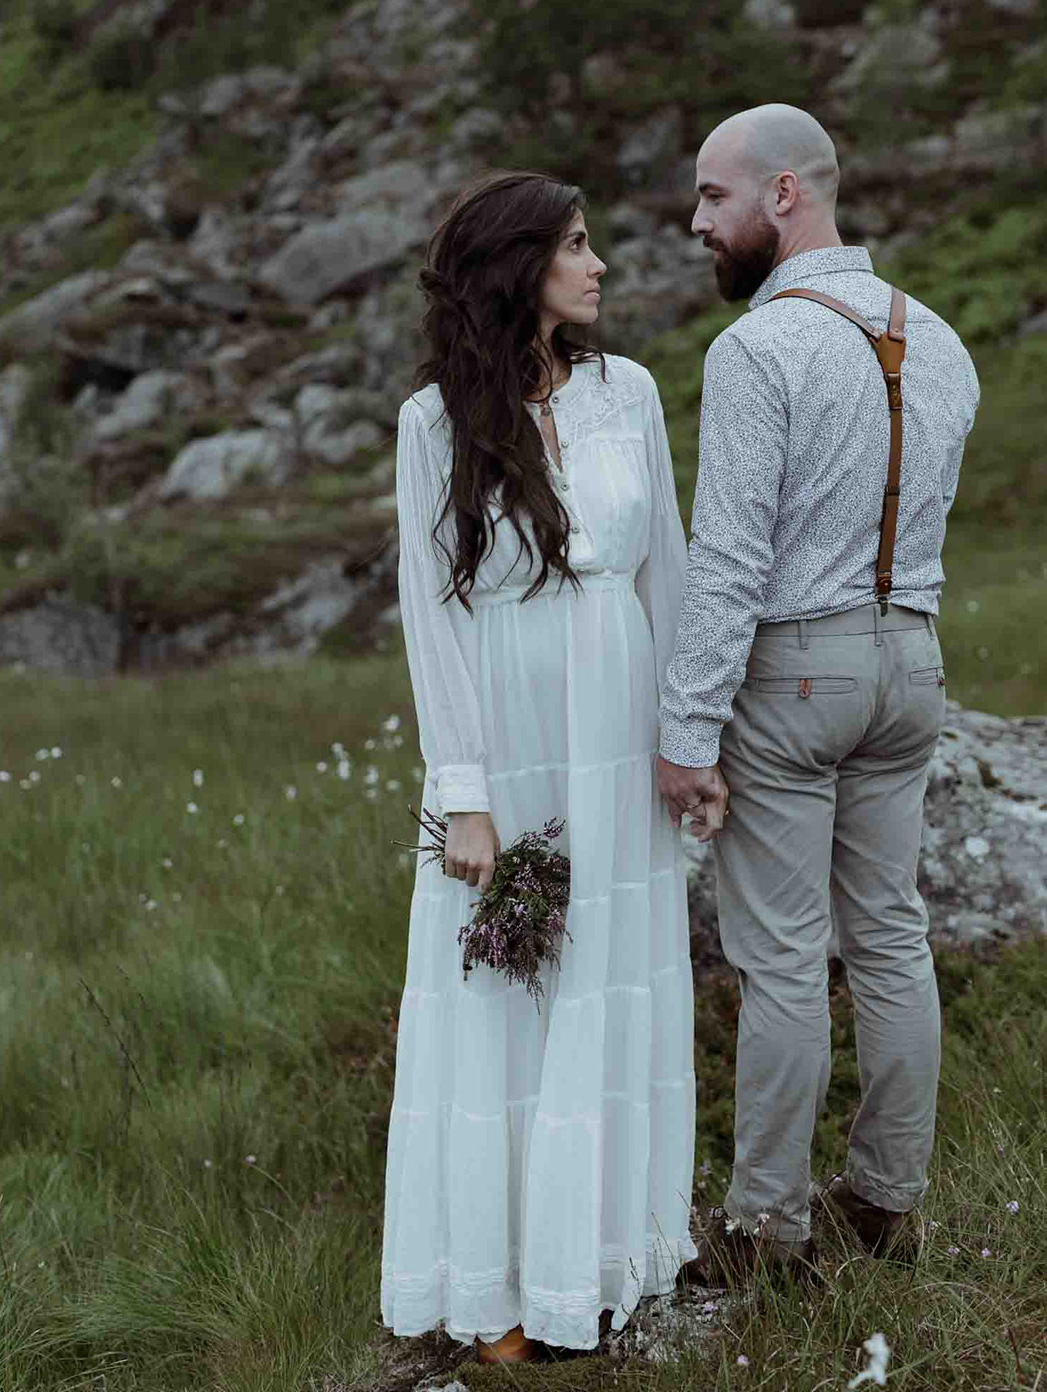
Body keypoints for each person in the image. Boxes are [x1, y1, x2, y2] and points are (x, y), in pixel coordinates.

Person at [657, 105, 979, 1280]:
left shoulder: (756, 349)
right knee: (892, 936)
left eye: (711, 197)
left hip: (796, 668)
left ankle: (762, 1231)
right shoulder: (938, 338)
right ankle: (885, 1204)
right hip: (912, 658)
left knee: (784, 957)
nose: (697, 222)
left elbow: (729, 557)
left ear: (783, 193)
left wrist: (687, 733)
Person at [381, 171, 697, 1362]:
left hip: (616, 740)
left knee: (610, 986)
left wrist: (686, 740)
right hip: (506, 747)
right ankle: (502, 1291)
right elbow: (432, 617)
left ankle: (599, 1265)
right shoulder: (433, 422)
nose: (598, 264)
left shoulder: (632, 394)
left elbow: (663, 570)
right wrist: (464, 795)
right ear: (517, 267)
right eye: (574, 245)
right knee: (504, 997)